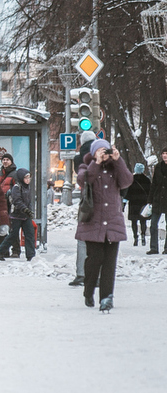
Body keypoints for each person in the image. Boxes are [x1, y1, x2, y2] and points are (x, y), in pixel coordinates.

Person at [75, 139, 133, 312]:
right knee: (94, 260)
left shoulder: (115, 168)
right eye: (99, 150)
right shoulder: (86, 167)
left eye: (105, 150)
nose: (103, 153)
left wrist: (118, 160)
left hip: (113, 223)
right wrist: (96, 162)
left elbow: (126, 182)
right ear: (93, 153)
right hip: (92, 222)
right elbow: (84, 181)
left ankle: (107, 297)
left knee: (109, 263)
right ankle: (88, 291)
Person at [69, 130, 99, 285]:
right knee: (101, 237)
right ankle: (99, 275)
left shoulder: (78, 157)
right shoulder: (102, 154)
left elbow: (79, 177)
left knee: (83, 235)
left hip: (86, 199)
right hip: (103, 199)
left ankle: (81, 274)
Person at [0, 169, 36, 261]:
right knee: (13, 235)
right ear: (21, 178)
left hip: (26, 216)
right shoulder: (16, 187)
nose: (28, 179)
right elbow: (17, 201)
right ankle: (0, 251)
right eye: (26, 177)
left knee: (29, 234)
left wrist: (29, 210)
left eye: (29, 177)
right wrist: (25, 209)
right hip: (16, 216)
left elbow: (29, 200)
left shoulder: (27, 187)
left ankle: (30, 255)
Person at [0, 153, 20, 256]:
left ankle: (16, 250)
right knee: (1, 227)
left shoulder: (15, 174)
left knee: (12, 228)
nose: (5, 161)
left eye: (7, 160)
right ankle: (3, 251)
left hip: (11, 204)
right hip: (0, 204)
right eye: (3, 159)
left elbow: (18, 189)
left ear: (11, 161)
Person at [125, 163, 152, 246]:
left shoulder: (131, 180)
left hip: (133, 203)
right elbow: (150, 192)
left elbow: (127, 192)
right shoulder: (147, 180)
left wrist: (126, 200)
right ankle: (143, 236)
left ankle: (135, 238)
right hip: (143, 203)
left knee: (134, 221)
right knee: (143, 221)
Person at [149, 149, 167, 254]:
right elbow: (154, 183)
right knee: (153, 224)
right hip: (157, 198)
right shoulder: (158, 167)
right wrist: (150, 199)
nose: (165, 156)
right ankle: (154, 248)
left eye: (166, 154)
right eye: (163, 154)